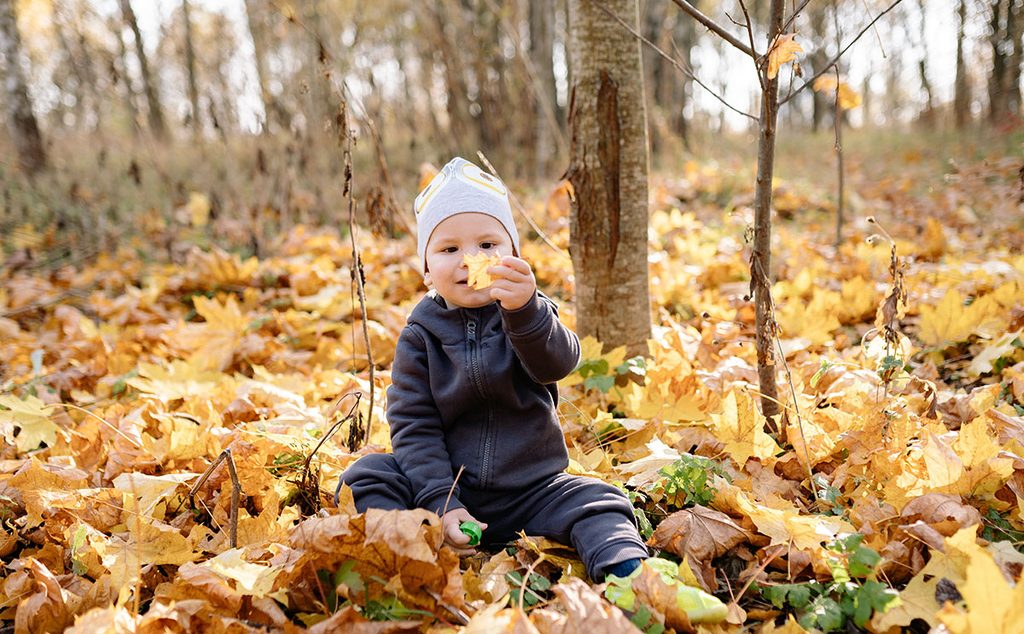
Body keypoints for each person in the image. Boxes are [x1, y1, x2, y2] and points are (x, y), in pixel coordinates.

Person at [336, 156, 650, 581]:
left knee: (600, 499)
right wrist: (441, 501)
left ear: (514, 256)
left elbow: (557, 363)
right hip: (447, 489)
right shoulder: (419, 336)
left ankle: (627, 574)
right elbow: (414, 425)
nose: (470, 259)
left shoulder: (529, 315)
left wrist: (526, 312)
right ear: (427, 269)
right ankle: (400, 560)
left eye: (487, 245)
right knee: (367, 475)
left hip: (532, 491)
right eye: (449, 249)